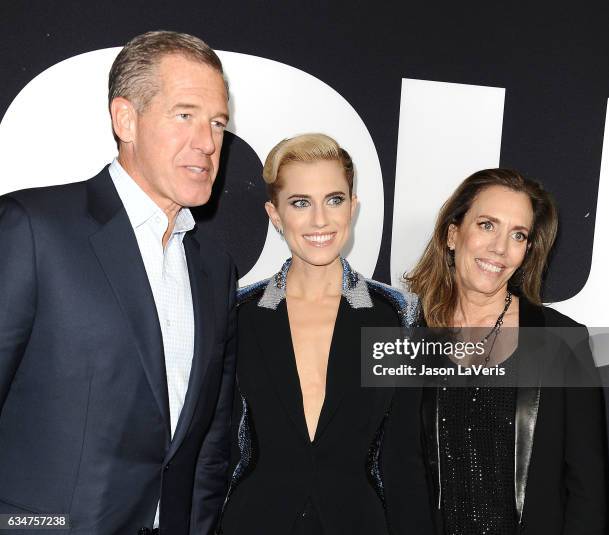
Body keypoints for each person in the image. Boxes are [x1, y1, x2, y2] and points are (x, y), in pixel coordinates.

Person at [0, 31, 236, 535]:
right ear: (125, 119)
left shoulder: (215, 266)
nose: (209, 142)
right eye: (184, 115)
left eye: (217, 122)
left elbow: (211, 438)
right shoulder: (35, 228)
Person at [218, 134, 433, 535]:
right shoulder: (238, 313)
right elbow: (216, 448)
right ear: (275, 214)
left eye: (334, 200)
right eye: (301, 203)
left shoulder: (395, 315)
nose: (320, 220)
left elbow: (405, 457)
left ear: (352, 208)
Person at [404, 168, 609, 534]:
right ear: (453, 234)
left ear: (527, 251)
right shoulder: (409, 336)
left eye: (518, 235)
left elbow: (588, 493)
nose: (500, 247)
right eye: (486, 225)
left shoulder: (564, 343)